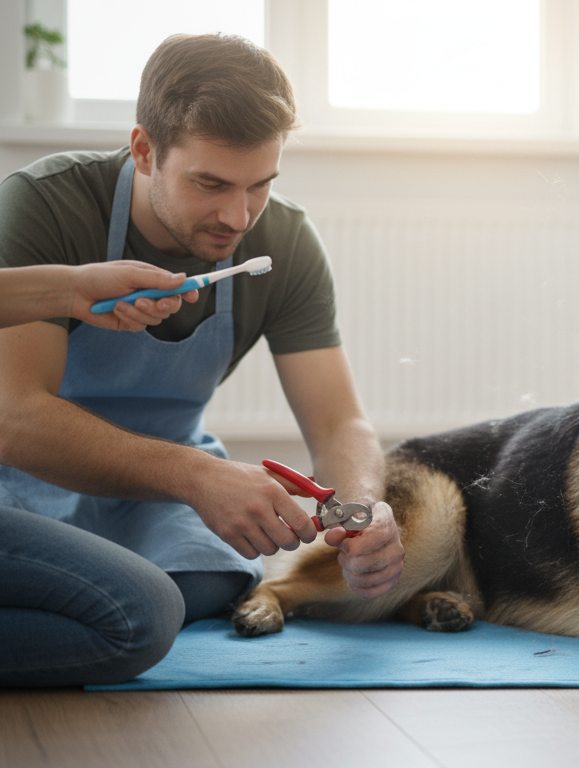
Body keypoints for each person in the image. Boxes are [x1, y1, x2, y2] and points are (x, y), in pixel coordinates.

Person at [0, 33, 404, 687]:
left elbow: (337, 424)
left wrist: (359, 512)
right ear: (144, 150)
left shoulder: (284, 240)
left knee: (217, 577)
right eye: (210, 184)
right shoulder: (46, 204)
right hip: (22, 480)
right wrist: (198, 478)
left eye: (259, 186)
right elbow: (16, 421)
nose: (237, 216)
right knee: (139, 612)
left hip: (154, 496)